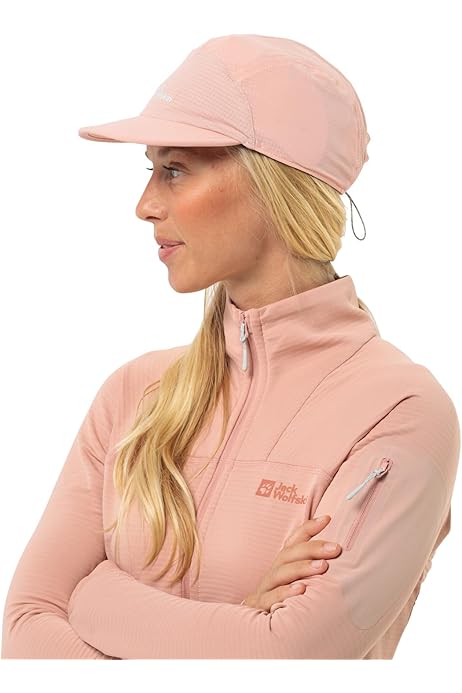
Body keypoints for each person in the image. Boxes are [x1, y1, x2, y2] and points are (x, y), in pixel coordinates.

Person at [2, 33, 459, 660]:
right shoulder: (135, 393)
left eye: (175, 169)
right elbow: (24, 628)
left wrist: (96, 597)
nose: (144, 205)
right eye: (150, 170)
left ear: (272, 182)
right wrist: (240, 624)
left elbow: (287, 660)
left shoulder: (400, 411)